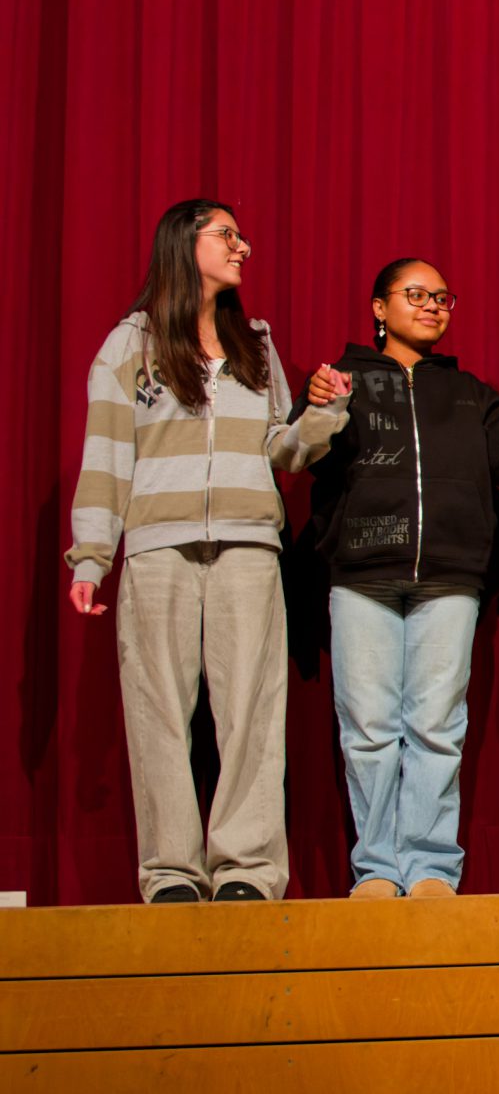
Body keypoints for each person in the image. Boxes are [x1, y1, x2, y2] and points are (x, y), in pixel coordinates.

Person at [65, 199, 340, 903]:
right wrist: (92, 553)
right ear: (183, 243)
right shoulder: (130, 344)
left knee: (252, 710)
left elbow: (283, 450)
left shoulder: (254, 343)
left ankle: (247, 869)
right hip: (159, 549)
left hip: (249, 545)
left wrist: (323, 414)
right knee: (157, 710)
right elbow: (106, 454)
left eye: (242, 236)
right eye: (227, 235)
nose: (243, 247)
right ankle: (171, 873)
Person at [300, 258, 499, 897]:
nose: (432, 306)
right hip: (362, 574)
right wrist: (321, 402)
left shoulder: (468, 392)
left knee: (437, 728)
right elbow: (306, 453)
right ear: (379, 308)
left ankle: (430, 866)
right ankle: (377, 867)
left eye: (442, 297)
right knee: (369, 730)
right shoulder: (341, 380)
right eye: (416, 294)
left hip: (448, 577)